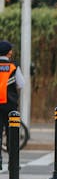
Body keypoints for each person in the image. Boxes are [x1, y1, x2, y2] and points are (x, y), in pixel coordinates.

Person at [0, 40, 25, 171]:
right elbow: (21, 84)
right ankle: (12, 163)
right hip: (10, 105)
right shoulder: (13, 67)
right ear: (9, 52)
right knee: (11, 134)